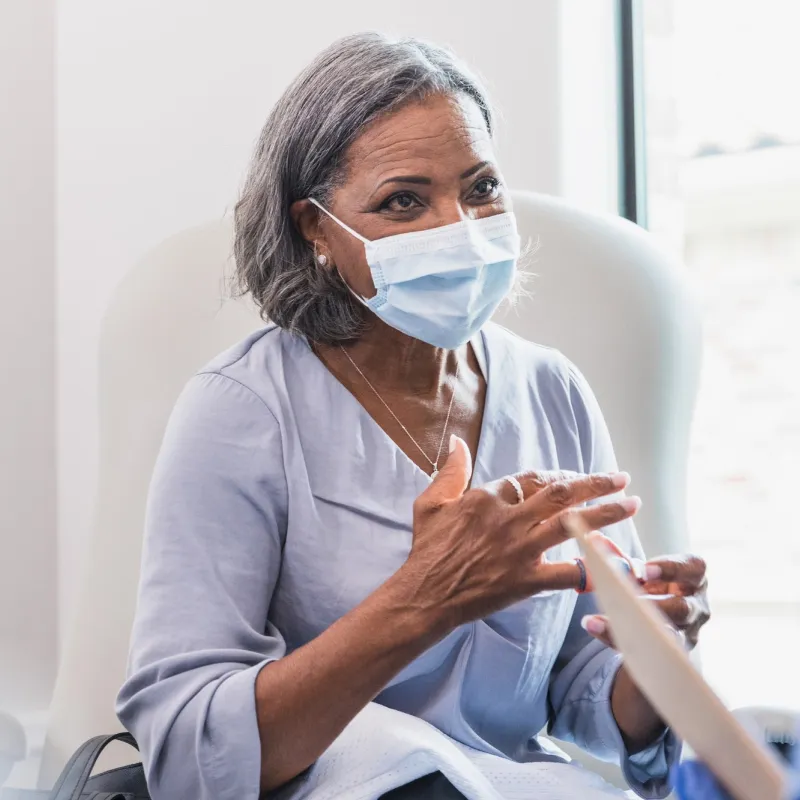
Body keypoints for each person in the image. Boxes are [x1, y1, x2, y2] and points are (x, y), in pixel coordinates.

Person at [116, 32, 711, 800]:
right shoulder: (242, 411)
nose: (459, 228)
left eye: (481, 188)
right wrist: (424, 598)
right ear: (316, 229)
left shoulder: (551, 389)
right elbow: (189, 753)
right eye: (403, 200)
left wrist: (656, 653)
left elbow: (582, 694)